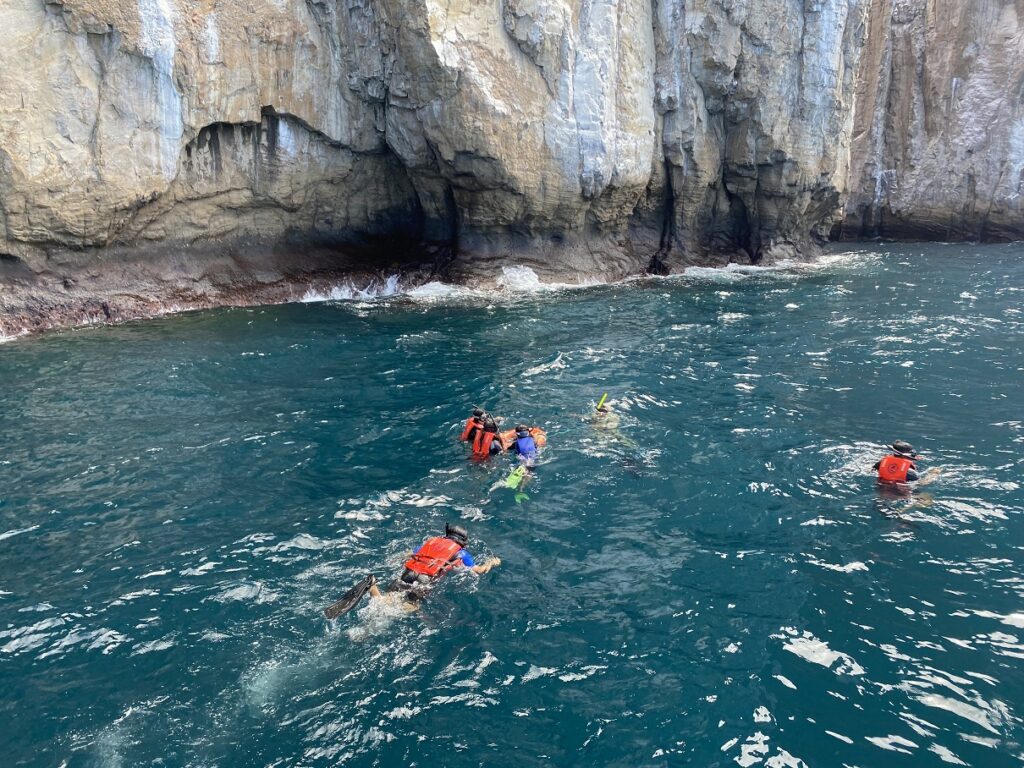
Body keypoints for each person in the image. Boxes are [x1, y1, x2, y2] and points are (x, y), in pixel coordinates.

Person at [323, 524, 500, 619]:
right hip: (425, 580)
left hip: (408, 572)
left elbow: (409, 553)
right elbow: (479, 570)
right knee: (410, 608)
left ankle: (372, 589)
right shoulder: (461, 552)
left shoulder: (431, 541)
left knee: (387, 602)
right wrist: (492, 562)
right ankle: (372, 587)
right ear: (463, 541)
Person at [873, 440, 941, 485]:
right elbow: (921, 483)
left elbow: (873, 470)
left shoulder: (882, 462)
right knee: (926, 499)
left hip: (881, 489)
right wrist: (933, 474)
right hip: (900, 494)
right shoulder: (910, 472)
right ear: (907, 456)